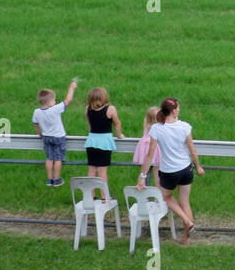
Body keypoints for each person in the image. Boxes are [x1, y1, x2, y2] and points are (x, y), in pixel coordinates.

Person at [136, 98, 203, 245]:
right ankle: (186, 239)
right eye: (178, 108)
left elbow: (150, 155)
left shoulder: (157, 129)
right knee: (185, 202)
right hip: (186, 168)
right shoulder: (185, 127)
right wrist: (198, 167)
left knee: (166, 198)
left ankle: (186, 221)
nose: (179, 110)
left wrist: (142, 176)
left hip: (169, 171)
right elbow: (192, 150)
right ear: (173, 111)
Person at [33, 78, 78, 187]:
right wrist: (71, 88)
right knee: (58, 159)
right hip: (58, 137)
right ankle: (57, 179)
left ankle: (49, 179)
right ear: (49, 102)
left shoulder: (37, 112)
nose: (55, 102)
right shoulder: (54, 109)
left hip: (46, 137)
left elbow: (35, 124)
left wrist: (40, 134)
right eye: (54, 100)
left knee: (49, 158)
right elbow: (68, 100)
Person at [83, 87, 125, 182]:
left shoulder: (87, 109)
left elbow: (90, 125)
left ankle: (90, 195)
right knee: (102, 171)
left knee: (92, 170)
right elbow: (117, 123)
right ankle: (104, 196)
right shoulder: (110, 109)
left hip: (91, 141)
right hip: (105, 143)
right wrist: (119, 135)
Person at [132, 105, 161, 187]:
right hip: (155, 147)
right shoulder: (158, 125)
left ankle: (140, 187)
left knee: (143, 171)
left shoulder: (146, 121)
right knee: (157, 172)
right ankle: (159, 194)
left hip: (144, 147)